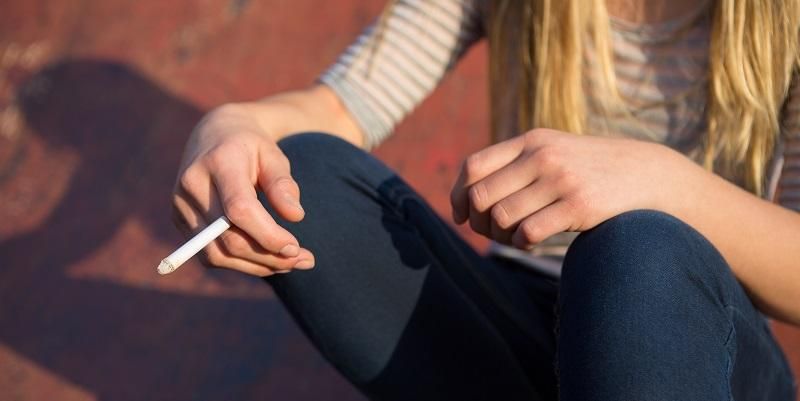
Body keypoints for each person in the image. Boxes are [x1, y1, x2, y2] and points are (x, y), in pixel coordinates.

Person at [170, 0, 800, 399]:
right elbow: (336, 108)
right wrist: (228, 127)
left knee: (637, 251)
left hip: (691, 346)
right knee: (301, 174)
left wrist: (662, 183)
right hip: (523, 319)